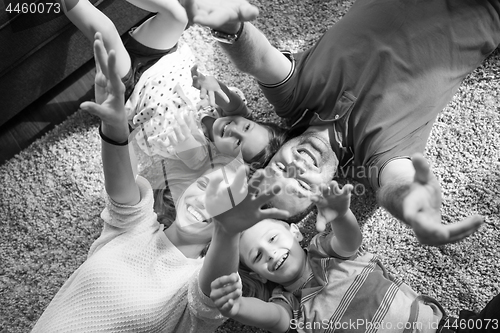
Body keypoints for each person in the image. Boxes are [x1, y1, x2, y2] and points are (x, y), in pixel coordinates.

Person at [30, 32, 290, 332]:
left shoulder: (196, 283)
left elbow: (211, 292)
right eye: (205, 187)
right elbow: (121, 186)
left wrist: (227, 230)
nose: (205, 202)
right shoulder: (136, 225)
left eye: (222, 203)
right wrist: (115, 125)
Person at [184, 0, 500, 245]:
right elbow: (398, 183)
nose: (299, 166)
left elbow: (262, 60)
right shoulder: (373, 157)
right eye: (305, 184)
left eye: (282, 169)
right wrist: (415, 208)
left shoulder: (295, 100)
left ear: (274, 154)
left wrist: (231, 30)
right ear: (327, 188)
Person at [209, 181, 500, 333]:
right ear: (259, 275)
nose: (272, 252)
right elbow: (274, 320)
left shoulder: (323, 251)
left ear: (294, 233)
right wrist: (238, 308)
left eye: (273, 239)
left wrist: (341, 214)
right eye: (258, 255)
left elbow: (350, 241)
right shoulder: (287, 305)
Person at [60, 0, 288, 174]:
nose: (234, 129)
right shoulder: (231, 113)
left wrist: (192, 154)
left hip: (131, 90)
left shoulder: (198, 155)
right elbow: (237, 107)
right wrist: (213, 85)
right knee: (177, 15)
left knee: (106, 32)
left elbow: (176, 161)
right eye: (246, 128)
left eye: (237, 142)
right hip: (161, 56)